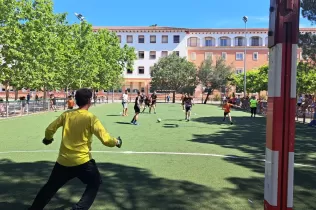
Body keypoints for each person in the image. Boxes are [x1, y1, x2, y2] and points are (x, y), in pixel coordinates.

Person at [28, 88, 122, 210]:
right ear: (89, 100)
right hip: (82, 162)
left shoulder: (66, 115)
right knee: (95, 182)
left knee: (50, 187)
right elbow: (106, 140)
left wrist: (48, 139)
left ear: (76, 100)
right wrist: (117, 142)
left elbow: (49, 129)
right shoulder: (91, 118)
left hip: (63, 161)